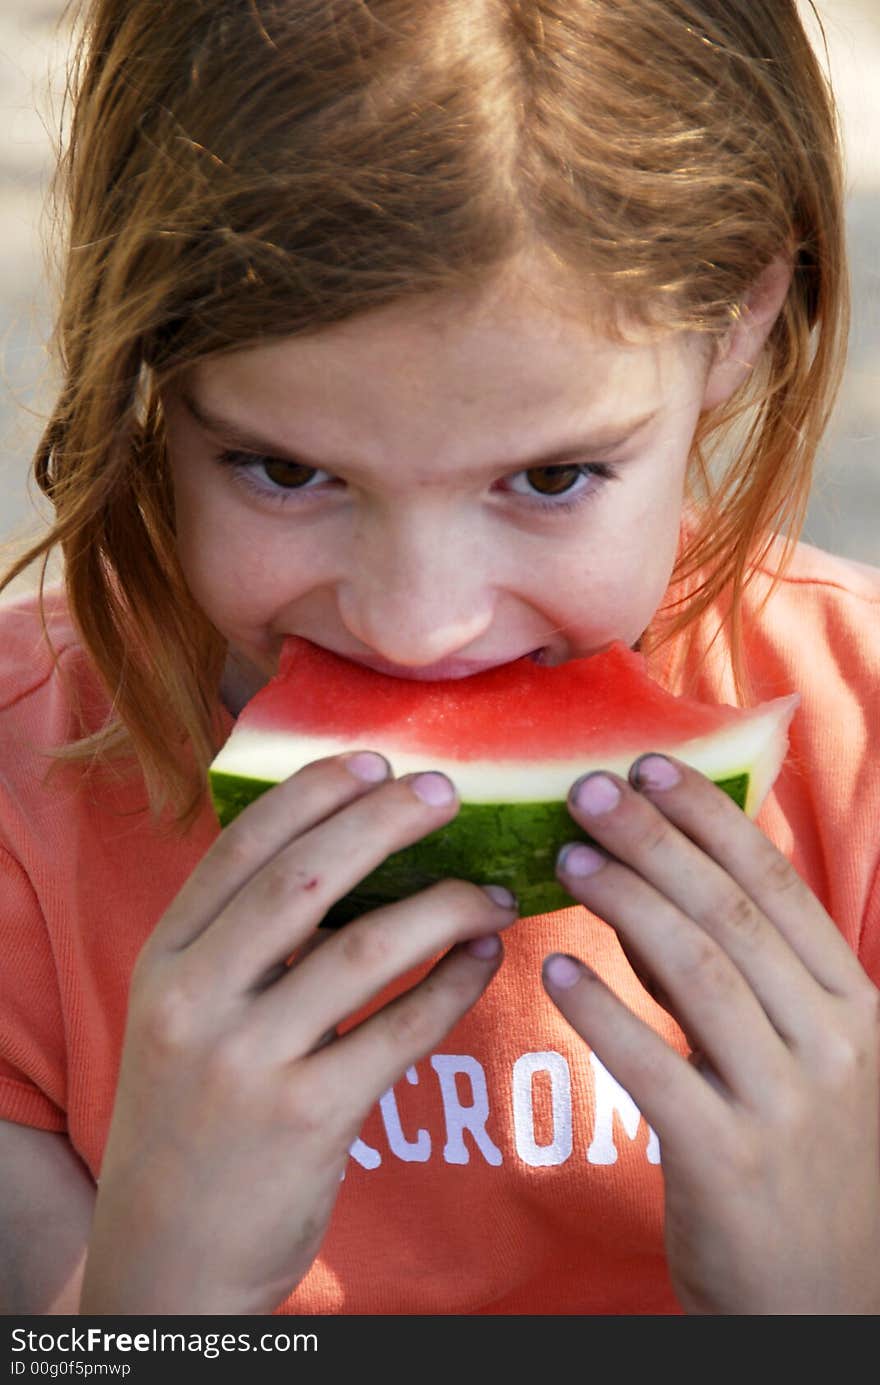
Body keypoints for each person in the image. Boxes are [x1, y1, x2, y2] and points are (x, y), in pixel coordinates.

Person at [0, 0, 878, 1317]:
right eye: (284, 468)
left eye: (549, 475)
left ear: (741, 319)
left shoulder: (858, 755)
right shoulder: (20, 800)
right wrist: (150, 1299)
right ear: (145, 371)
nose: (417, 623)